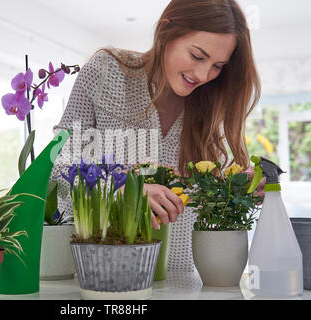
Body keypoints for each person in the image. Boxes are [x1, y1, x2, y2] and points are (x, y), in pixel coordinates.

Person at [50, 0, 265, 274]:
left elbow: (199, 202)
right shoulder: (106, 72)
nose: (203, 75)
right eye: (198, 56)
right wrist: (121, 191)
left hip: (183, 281)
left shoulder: (209, 107)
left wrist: (238, 189)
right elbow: (59, 175)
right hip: (103, 276)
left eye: (218, 66)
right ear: (166, 31)